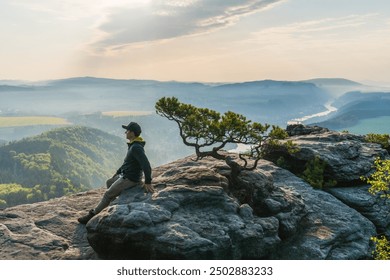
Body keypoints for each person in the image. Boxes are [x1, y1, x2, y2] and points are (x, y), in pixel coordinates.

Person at [78, 121, 155, 224]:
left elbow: (146, 165)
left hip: (130, 179)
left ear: (132, 133)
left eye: (127, 130)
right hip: (126, 175)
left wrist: (148, 182)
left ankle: (92, 215)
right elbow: (128, 162)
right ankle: (111, 202)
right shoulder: (133, 145)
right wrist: (118, 171)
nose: (125, 133)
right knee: (109, 182)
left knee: (107, 194)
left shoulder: (136, 147)